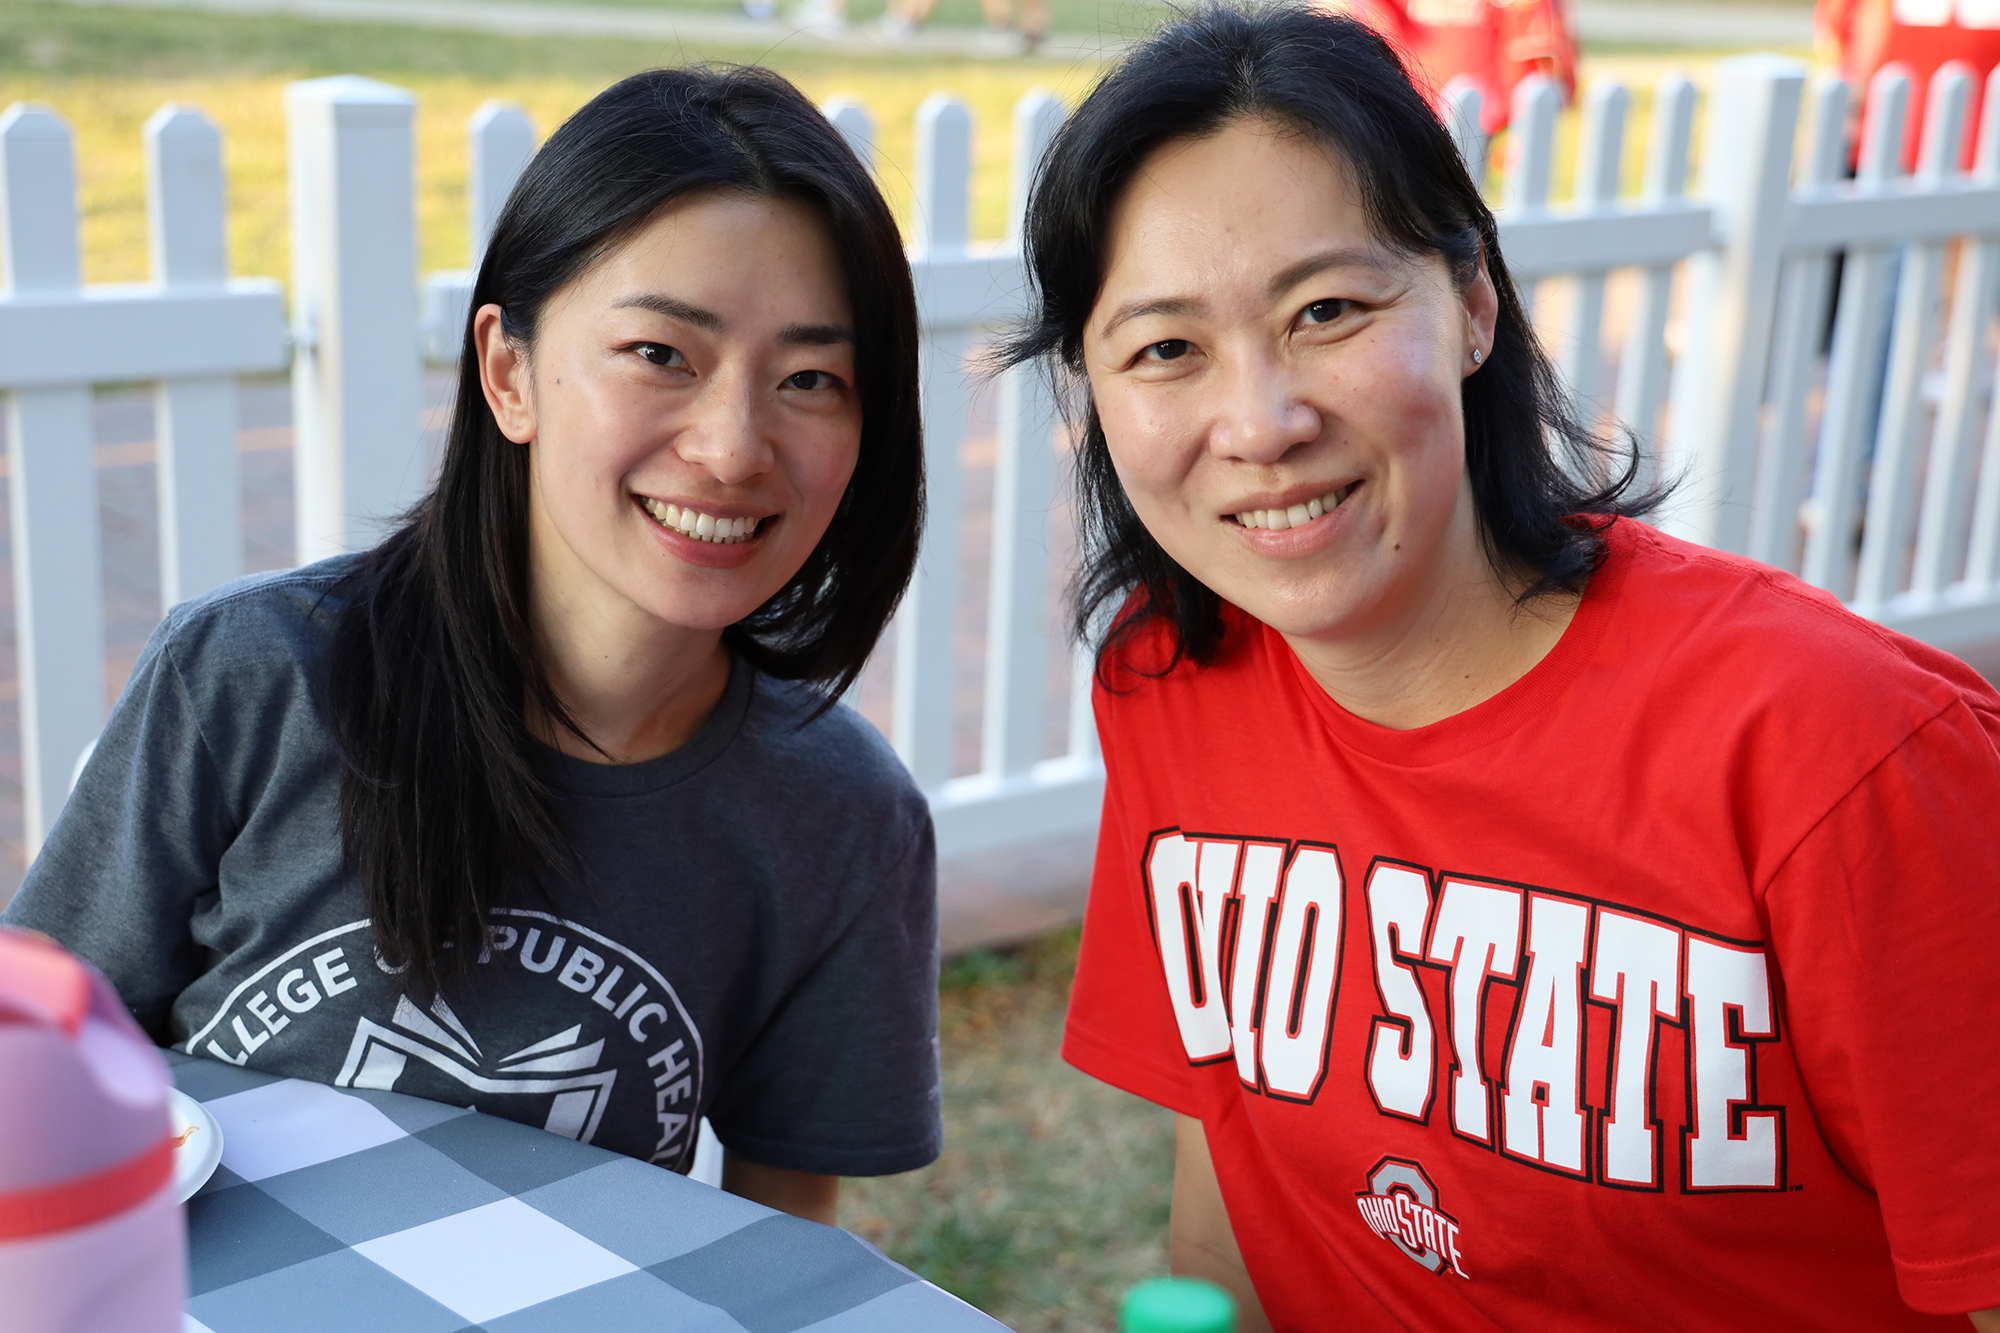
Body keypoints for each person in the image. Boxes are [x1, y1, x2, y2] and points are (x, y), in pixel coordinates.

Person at [1006, 6, 2000, 1327]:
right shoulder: (1173, 678)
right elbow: (1227, 1151)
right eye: (1167, 350)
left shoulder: (1843, 749)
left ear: (1473, 305)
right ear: (1090, 398)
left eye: (1327, 310)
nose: (1261, 422)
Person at [1, 64, 939, 1225]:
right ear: (508, 371)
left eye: (810, 377)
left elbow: (781, 1226)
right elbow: (36, 1065)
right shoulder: (251, 676)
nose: (734, 445)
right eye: (660, 353)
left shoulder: (841, 813)